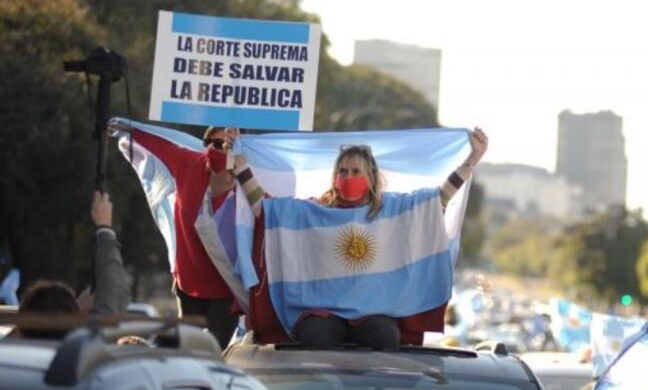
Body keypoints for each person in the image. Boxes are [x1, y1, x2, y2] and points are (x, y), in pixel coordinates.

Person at [234, 127, 489, 350]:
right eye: (343, 171)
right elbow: (265, 210)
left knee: (384, 338)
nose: (348, 177)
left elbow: (438, 201)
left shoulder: (392, 210)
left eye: (356, 171)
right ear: (334, 176)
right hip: (324, 311)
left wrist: (472, 159)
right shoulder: (315, 211)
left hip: (373, 312)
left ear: (371, 176)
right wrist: (241, 165)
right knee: (316, 336)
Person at [112, 121, 240, 348]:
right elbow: (159, 145)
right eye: (209, 142)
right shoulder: (190, 163)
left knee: (211, 351)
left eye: (222, 144)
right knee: (178, 349)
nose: (214, 148)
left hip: (226, 287)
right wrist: (126, 127)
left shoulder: (246, 178)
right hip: (189, 284)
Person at [12, 191, 132, 339]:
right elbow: (113, 296)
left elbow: (114, 295)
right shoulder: (80, 358)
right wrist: (104, 226)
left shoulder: (7, 354)